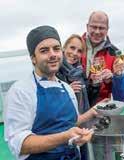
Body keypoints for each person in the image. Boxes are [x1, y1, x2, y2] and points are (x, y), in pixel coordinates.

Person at [4, 25, 97, 160]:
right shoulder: (21, 91)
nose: (53, 54)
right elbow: (20, 144)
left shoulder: (67, 88)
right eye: (44, 50)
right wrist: (65, 137)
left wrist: (80, 134)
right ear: (33, 58)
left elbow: (70, 123)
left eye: (56, 48)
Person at [81, 10, 119, 106]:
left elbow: (119, 89)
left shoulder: (115, 53)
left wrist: (111, 79)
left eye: (101, 28)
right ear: (87, 27)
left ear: (107, 30)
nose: (97, 31)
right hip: (75, 105)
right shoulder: (75, 47)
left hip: (99, 107)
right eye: (94, 27)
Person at [57, 34, 89, 114]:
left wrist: (95, 85)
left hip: (82, 118)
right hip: (65, 121)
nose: (75, 53)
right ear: (64, 48)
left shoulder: (80, 70)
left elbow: (89, 97)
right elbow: (49, 103)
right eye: (72, 48)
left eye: (79, 51)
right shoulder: (54, 70)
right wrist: (67, 91)